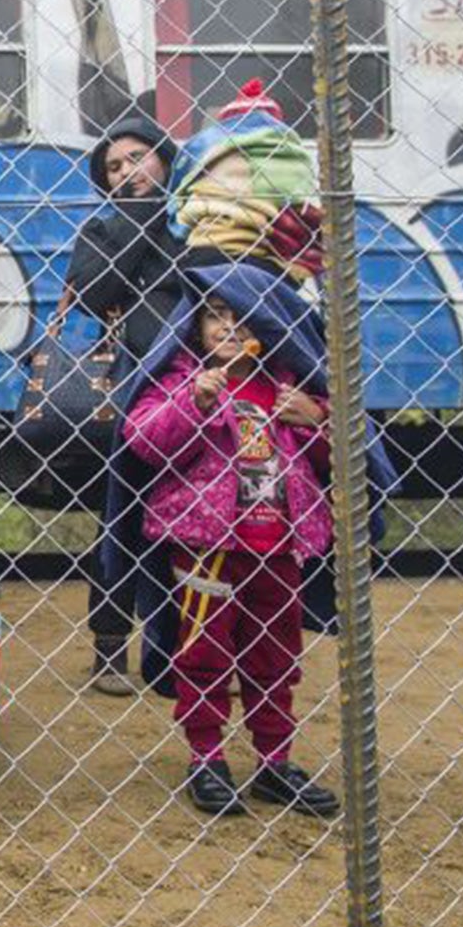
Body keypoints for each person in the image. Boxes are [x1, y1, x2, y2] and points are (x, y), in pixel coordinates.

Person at [121, 287, 342, 819]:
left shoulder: (290, 387)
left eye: (242, 319)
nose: (228, 328)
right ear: (194, 327)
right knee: (203, 655)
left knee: (276, 657)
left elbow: (346, 452)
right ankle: (207, 757)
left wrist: (316, 419)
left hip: (279, 545)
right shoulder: (181, 381)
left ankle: (274, 762)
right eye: (215, 316)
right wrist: (193, 404)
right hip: (206, 545)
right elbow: (142, 439)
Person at [67, 104, 183, 694]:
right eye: (113, 167)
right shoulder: (103, 229)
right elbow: (94, 290)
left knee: (203, 521)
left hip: (202, 387)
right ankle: (110, 647)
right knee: (124, 515)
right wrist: (139, 215)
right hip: (140, 391)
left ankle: (191, 650)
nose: (125, 171)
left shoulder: (197, 221)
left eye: (138, 158)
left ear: (167, 159)